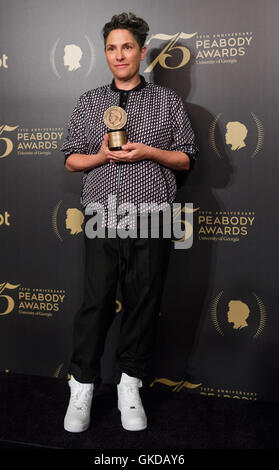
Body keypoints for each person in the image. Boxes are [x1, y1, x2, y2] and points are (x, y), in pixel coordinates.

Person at [60, 12, 198, 433]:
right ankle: (82, 386)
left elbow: (187, 156)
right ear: (106, 54)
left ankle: (129, 386)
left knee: (142, 303)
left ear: (141, 51)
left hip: (152, 217)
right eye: (111, 48)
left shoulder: (167, 102)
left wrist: (148, 152)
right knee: (95, 303)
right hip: (103, 216)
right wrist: (102, 156)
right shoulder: (88, 101)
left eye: (127, 47)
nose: (119, 55)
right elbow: (70, 159)